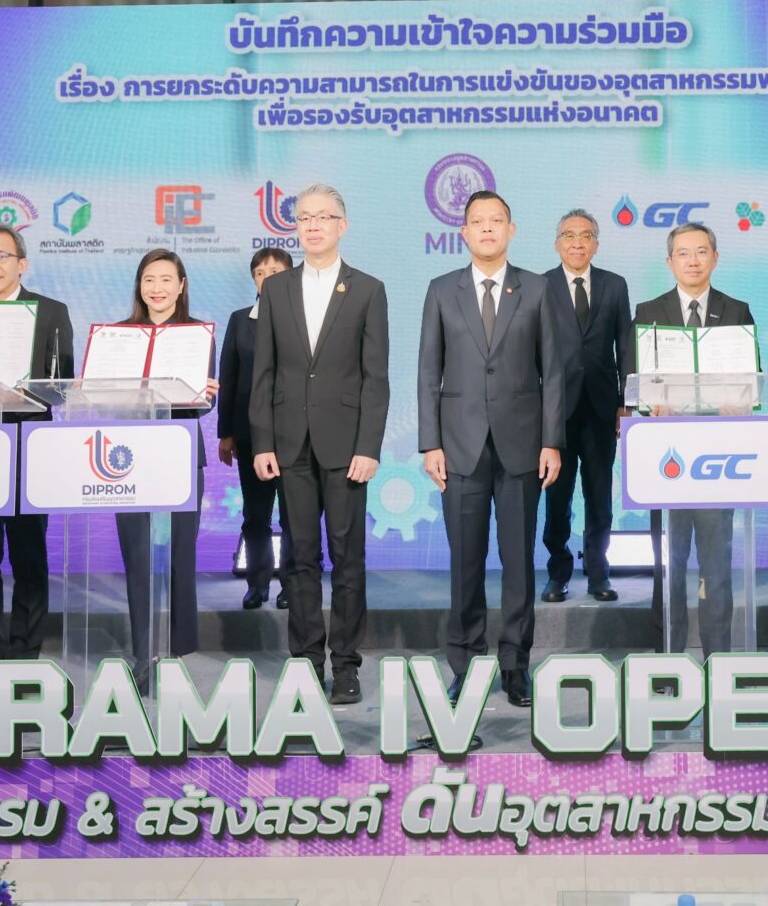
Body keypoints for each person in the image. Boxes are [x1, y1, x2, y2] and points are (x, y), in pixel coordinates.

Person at [417, 190, 563, 708]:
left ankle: (516, 665)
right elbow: (428, 372)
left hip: (523, 445)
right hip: (459, 447)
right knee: (466, 562)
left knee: (519, 562)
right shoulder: (442, 290)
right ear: (464, 232)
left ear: (510, 229)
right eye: (477, 221)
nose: (486, 229)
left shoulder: (539, 288)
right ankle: (466, 665)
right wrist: (430, 443)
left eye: (495, 220)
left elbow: (554, 372)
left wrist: (551, 441)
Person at [250, 185, 390, 704]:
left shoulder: (368, 289)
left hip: (347, 445)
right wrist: (263, 441)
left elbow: (376, 378)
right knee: (300, 557)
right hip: (290, 445)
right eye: (304, 217)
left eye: (323, 217)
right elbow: (264, 373)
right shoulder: (276, 289)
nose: (312, 225)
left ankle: (346, 664)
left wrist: (369, 446)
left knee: (348, 558)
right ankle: (307, 661)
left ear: (341, 225)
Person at [632, 222, 756, 658]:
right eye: (683, 253)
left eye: (701, 252)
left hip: (716, 457)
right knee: (669, 565)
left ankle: (718, 657)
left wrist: (742, 401)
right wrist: (651, 404)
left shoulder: (737, 311)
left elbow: (752, 379)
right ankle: (668, 660)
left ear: (715, 258)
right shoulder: (647, 312)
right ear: (670, 262)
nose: (693, 261)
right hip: (665, 459)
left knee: (716, 566)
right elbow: (634, 381)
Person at [0, 224, 77, 661]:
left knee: (29, 552)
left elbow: (61, 386)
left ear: (22, 264)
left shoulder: (50, 312)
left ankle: (25, 652)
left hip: (27, 443)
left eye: (1, 256)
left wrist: (24, 396)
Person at [116, 249, 214, 689]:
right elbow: (105, 397)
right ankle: (142, 653)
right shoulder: (118, 336)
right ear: (139, 286)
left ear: (181, 285)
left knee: (180, 554)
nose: (157, 288)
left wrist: (206, 395)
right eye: (149, 279)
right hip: (127, 456)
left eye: (165, 279)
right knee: (137, 556)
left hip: (180, 451)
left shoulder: (198, 335)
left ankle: (176, 651)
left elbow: (204, 404)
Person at [540, 209, 632, 604]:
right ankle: (557, 573)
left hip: (601, 408)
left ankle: (598, 573)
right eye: (569, 235)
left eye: (586, 235)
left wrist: (626, 402)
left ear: (596, 243)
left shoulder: (614, 285)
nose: (577, 242)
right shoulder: (540, 285)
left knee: (599, 496)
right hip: (555, 413)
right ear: (557, 243)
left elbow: (625, 345)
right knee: (557, 497)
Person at [217, 246, 295, 611]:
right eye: (260, 273)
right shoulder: (240, 320)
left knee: (294, 515)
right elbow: (229, 378)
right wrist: (226, 433)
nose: (266, 278)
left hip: (296, 434)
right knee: (255, 514)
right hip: (250, 433)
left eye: (275, 271)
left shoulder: (305, 318)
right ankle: (257, 583)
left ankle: (292, 583)